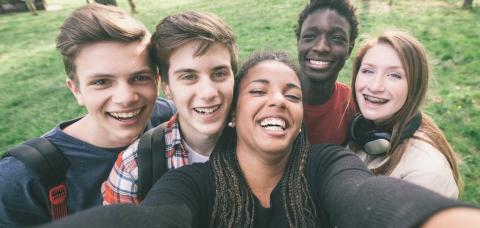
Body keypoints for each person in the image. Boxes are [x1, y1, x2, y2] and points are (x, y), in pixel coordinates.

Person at [40, 51, 480, 228]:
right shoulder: (193, 184)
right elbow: (153, 219)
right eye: (258, 91)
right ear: (233, 117)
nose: (278, 102)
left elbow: (365, 195)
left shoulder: (327, 165)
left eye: (291, 95)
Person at [0, 4, 174, 226]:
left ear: (157, 80)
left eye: (140, 77)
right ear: (76, 90)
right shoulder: (22, 178)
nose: (126, 97)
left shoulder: (170, 118)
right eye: (101, 82)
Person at [102, 11, 237, 205]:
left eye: (219, 73)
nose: (208, 93)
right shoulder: (134, 168)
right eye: (188, 77)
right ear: (166, 87)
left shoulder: (264, 142)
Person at [347, 29, 461, 198]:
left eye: (394, 75)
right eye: (368, 71)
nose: (375, 86)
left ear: (414, 87)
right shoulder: (363, 131)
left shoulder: (426, 174)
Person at [295, 0, 358, 145]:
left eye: (336, 38)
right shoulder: (271, 98)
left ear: (350, 48)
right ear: (298, 42)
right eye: (310, 36)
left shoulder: (353, 105)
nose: (321, 47)